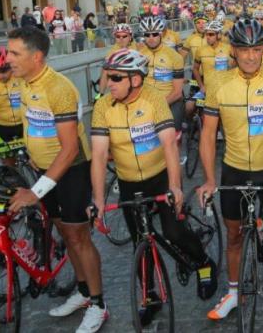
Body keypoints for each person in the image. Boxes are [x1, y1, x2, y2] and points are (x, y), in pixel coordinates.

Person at [89, 49, 217, 326]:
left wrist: (175, 186)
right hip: (128, 181)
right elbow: (99, 155)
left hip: (160, 176)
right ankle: (150, 296)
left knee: (172, 230)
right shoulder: (103, 106)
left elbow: (170, 144)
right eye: (107, 76)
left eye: (115, 78)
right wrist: (98, 199)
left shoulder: (154, 100)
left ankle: (204, 263)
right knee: (140, 242)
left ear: (135, 79)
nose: (108, 83)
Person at [4, 27, 106, 332]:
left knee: (79, 238)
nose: (8, 58)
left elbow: (70, 147)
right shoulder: (24, 83)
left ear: (36, 57)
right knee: (65, 233)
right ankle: (84, 292)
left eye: (14, 53)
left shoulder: (58, 88)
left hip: (70, 170)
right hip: (44, 171)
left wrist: (36, 191)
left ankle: (99, 304)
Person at [197, 18, 263, 322]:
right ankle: (232, 291)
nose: (251, 56)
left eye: (257, 49)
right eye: (244, 49)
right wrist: (210, 180)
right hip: (234, 169)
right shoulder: (218, 84)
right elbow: (206, 135)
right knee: (234, 235)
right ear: (234, 50)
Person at [137, 17, 185, 134]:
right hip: (146, 101)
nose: (151, 38)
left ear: (161, 35)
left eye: (154, 34)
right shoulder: (139, 56)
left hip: (170, 101)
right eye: (147, 35)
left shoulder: (174, 56)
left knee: (173, 138)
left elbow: (178, 93)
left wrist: (158, 105)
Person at [193, 20, 233, 94]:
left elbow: (236, 66)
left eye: (211, 34)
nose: (208, 37)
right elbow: (195, 68)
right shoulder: (200, 50)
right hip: (208, 90)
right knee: (189, 105)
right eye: (206, 34)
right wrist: (201, 86)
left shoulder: (228, 48)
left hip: (225, 89)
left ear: (219, 35)